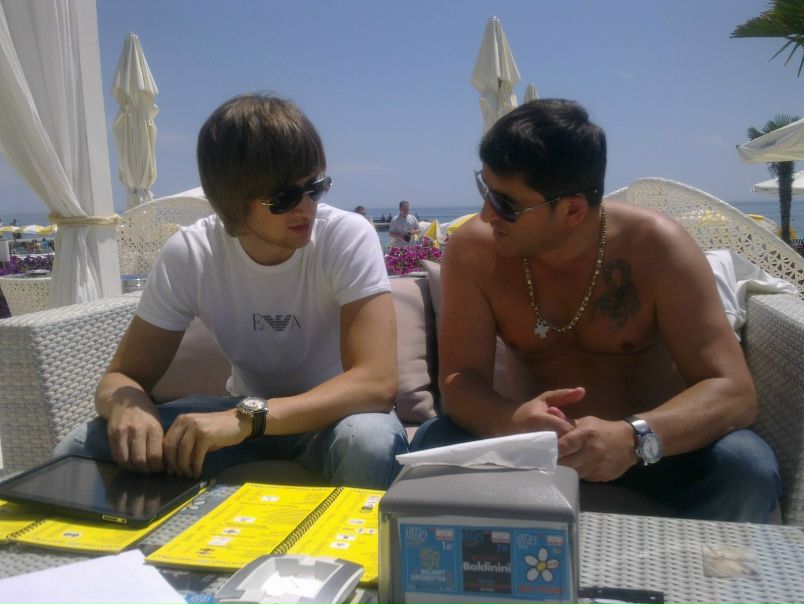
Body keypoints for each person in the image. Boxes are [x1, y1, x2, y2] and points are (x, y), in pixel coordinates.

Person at [410, 99, 780, 522]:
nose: (485, 214)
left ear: (572, 210)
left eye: (506, 204)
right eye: (485, 190)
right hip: (532, 449)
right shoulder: (475, 251)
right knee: (432, 443)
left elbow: (733, 391)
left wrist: (633, 436)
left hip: (652, 453)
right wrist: (510, 421)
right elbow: (459, 381)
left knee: (747, 466)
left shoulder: (656, 248)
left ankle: (707, 567)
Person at [54, 93, 408, 489]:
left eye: (315, 187)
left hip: (337, 418)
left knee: (369, 443)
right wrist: (131, 406)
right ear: (231, 202)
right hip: (241, 415)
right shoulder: (192, 253)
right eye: (284, 198)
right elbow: (121, 377)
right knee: (80, 445)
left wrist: (247, 419)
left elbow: (376, 383)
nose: (306, 207)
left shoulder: (345, 236)